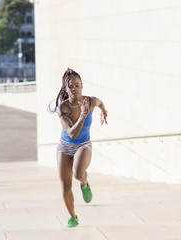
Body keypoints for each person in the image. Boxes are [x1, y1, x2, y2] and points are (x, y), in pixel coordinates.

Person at [49, 68, 108, 227]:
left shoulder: (91, 101)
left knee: (78, 173)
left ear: (82, 85)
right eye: (70, 86)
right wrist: (83, 115)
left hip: (83, 145)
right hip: (65, 147)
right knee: (65, 185)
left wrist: (103, 111)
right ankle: (73, 217)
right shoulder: (63, 108)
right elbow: (71, 133)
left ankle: (84, 183)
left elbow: (100, 102)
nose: (74, 88)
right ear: (66, 90)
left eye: (77, 85)